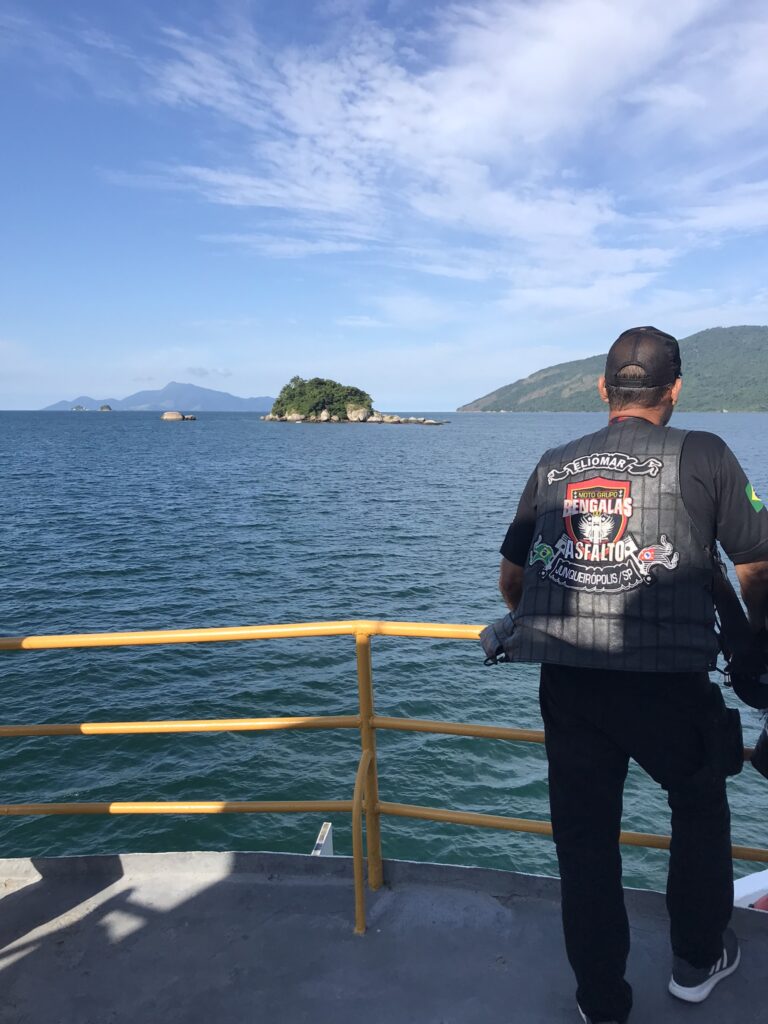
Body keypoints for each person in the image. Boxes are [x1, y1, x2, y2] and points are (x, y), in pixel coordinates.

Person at [497, 327, 768, 1024]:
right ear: (675, 389)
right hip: (669, 681)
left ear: (602, 389)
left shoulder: (554, 464)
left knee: (585, 841)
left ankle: (601, 1001)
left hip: (569, 681)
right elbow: (757, 566)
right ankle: (697, 960)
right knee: (699, 806)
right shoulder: (704, 452)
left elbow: (513, 579)